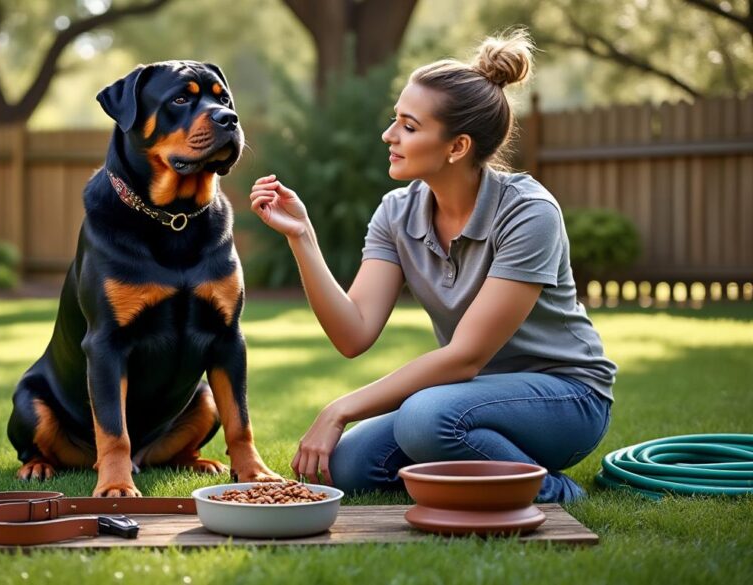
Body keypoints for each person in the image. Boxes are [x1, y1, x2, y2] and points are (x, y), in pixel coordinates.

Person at [247, 29, 616, 503]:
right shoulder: (397, 212)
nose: (389, 135)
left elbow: (465, 357)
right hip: (470, 399)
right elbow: (353, 333)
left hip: (567, 398)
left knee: (425, 418)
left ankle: (552, 490)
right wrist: (302, 237)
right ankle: (470, 466)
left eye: (409, 125)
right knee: (342, 467)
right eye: (394, 120)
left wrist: (340, 409)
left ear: (457, 147)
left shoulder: (528, 212)